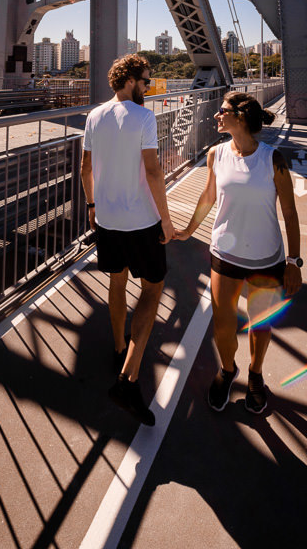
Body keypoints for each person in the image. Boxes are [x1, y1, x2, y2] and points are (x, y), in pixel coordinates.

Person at [176, 91, 302, 414]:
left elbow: (289, 212)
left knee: (260, 324)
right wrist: (189, 231)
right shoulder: (215, 154)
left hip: (266, 257)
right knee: (222, 325)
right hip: (224, 254)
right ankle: (228, 369)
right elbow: (207, 198)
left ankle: (256, 375)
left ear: (241, 117)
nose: (217, 115)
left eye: (223, 111)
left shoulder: (273, 160)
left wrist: (293, 262)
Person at [81, 54, 176, 426]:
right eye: (146, 81)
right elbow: (153, 171)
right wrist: (166, 221)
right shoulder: (144, 117)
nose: (148, 87)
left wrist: (92, 205)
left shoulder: (94, 115)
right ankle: (129, 377)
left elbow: (86, 168)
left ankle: (120, 346)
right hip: (141, 220)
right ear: (132, 80)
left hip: (107, 218)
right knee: (153, 290)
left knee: (116, 280)